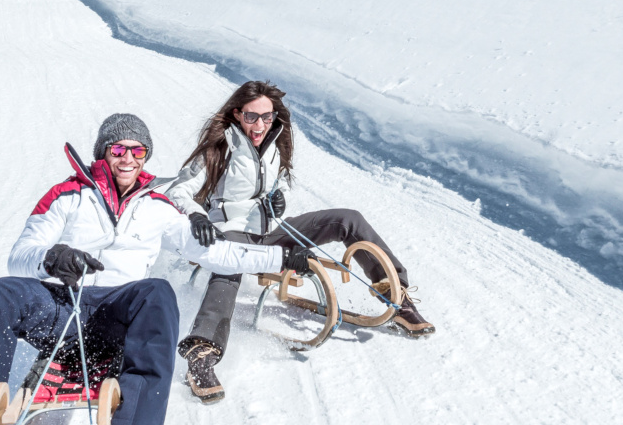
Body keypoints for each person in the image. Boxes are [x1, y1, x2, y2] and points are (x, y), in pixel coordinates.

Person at [0, 113, 315, 425]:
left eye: (138, 151)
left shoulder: (158, 206)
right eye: (119, 149)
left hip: (116, 313)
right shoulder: (67, 194)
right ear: (104, 152)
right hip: (62, 306)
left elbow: (216, 254)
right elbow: (20, 254)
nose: (128, 158)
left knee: (157, 292)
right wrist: (52, 257)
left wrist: (280, 258)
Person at [164, 81, 435, 405]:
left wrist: (278, 201)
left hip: (271, 231)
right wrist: (198, 217)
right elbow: (177, 191)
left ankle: (398, 299)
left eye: (268, 117)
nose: (261, 125)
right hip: (229, 232)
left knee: (348, 218)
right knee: (230, 261)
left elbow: (283, 187)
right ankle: (201, 353)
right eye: (252, 117)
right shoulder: (219, 147)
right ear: (237, 114)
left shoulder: (276, 147)